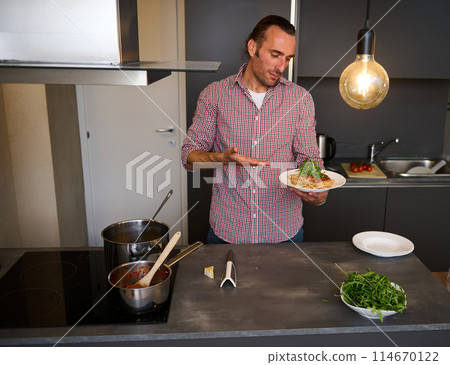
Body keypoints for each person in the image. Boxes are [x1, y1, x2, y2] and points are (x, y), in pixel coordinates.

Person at [181, 15, 328, 244]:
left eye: (288, 58)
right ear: (253, 47)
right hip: (228, 232)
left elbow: (308, 157)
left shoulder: (301, 99)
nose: (281, 67)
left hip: (284, 233)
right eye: (275, 55)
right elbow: (189, 158)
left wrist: (318, 188)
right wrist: (221, 159)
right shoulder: (214, 95)